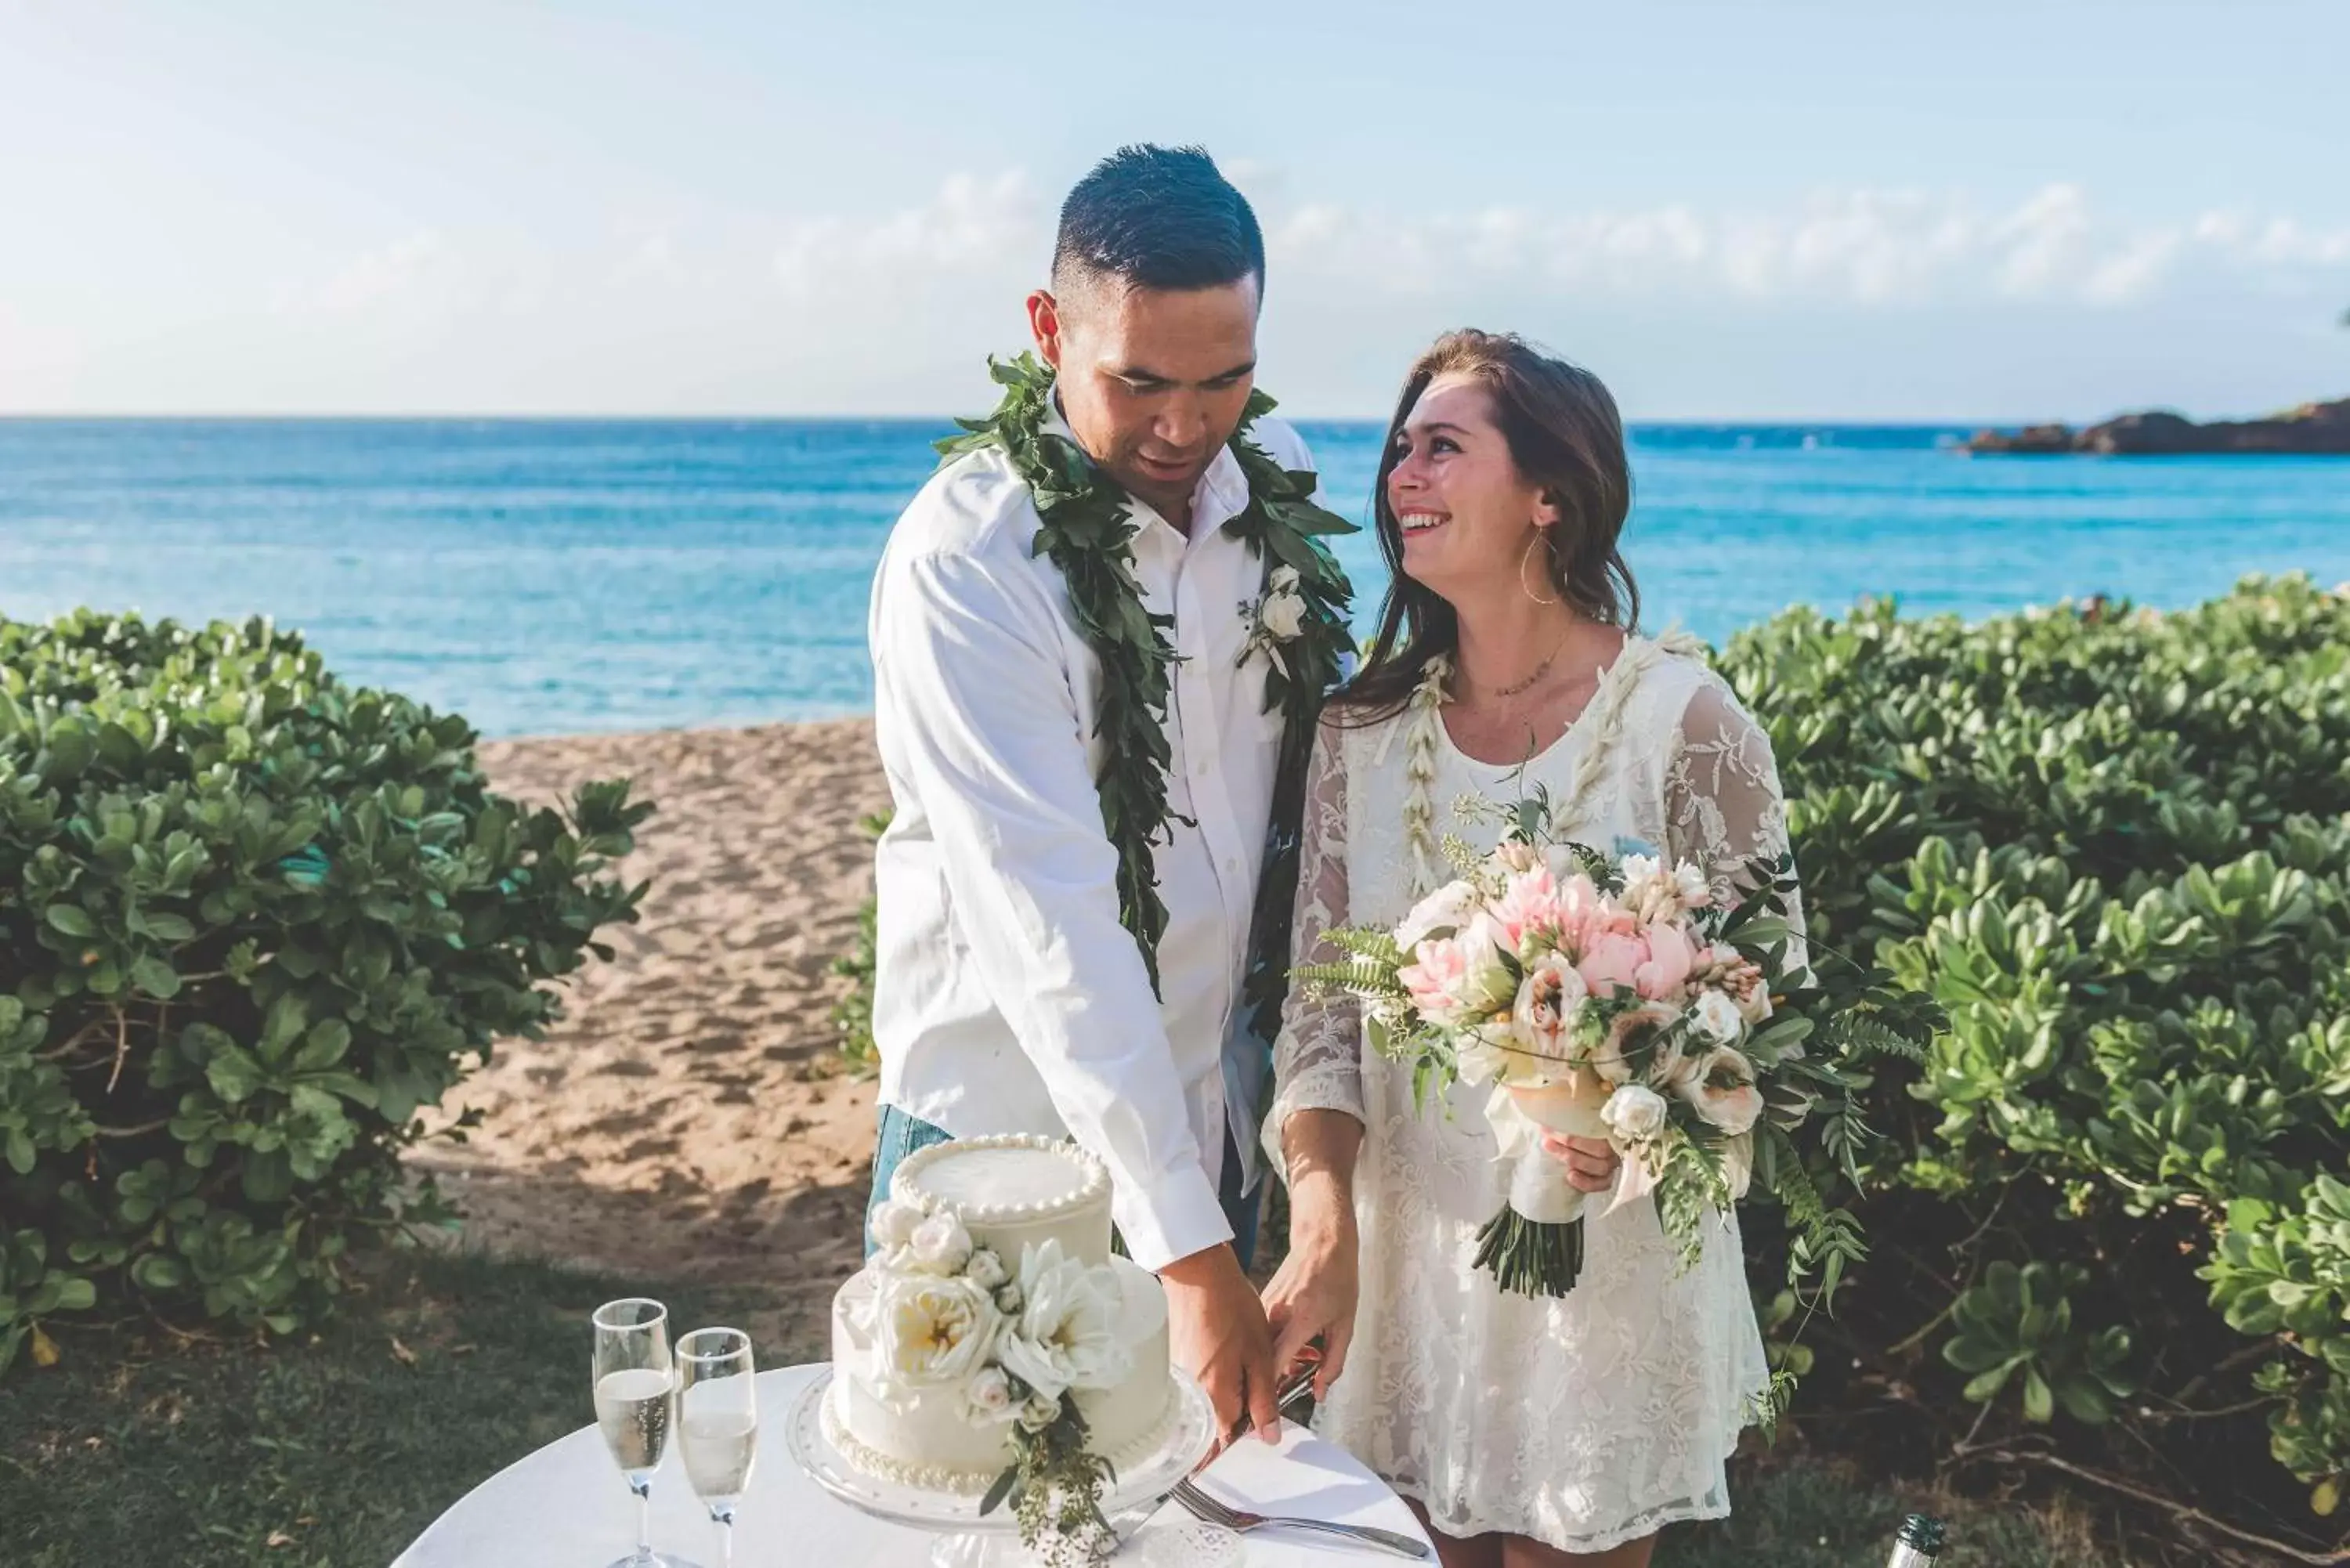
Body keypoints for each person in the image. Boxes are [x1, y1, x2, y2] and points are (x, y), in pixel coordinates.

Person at [1260, 331, 1784, 1566]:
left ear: (1550, 493)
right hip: (1409, 1270)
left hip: (1602, 1293)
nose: (1401, 473)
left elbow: (1766, 1027)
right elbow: (1322, 1018)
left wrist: (1634, 1117)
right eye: (1398, 447)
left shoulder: (1686, 727)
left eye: (1443, 445)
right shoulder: (1362, 733)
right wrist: (1324, 1223)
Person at [863, 143, 1351, 1448]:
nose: (1187, 428)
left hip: (1220, 1120)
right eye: (1139, 381)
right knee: (983, 1521)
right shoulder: (969, 563)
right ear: (1046, 329)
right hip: (1007, 1156)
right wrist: (1191, 1257)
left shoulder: (1274, 482)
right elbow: (1051, 924)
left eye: (1223, 378)